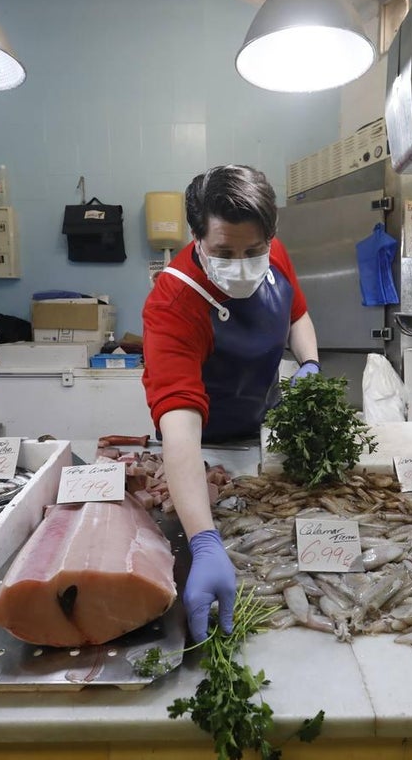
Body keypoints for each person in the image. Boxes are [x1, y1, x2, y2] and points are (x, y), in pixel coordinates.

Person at [142, 164, 320, 642]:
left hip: (261, 425)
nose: (242, 263)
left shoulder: (274, 253)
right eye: (224, 252)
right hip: (201, 444)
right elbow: (178, 422)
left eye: (253, 250)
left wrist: (309, 364)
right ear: (196, 237)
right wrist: (202, 540)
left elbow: (297, 314)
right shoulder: (172, 303)